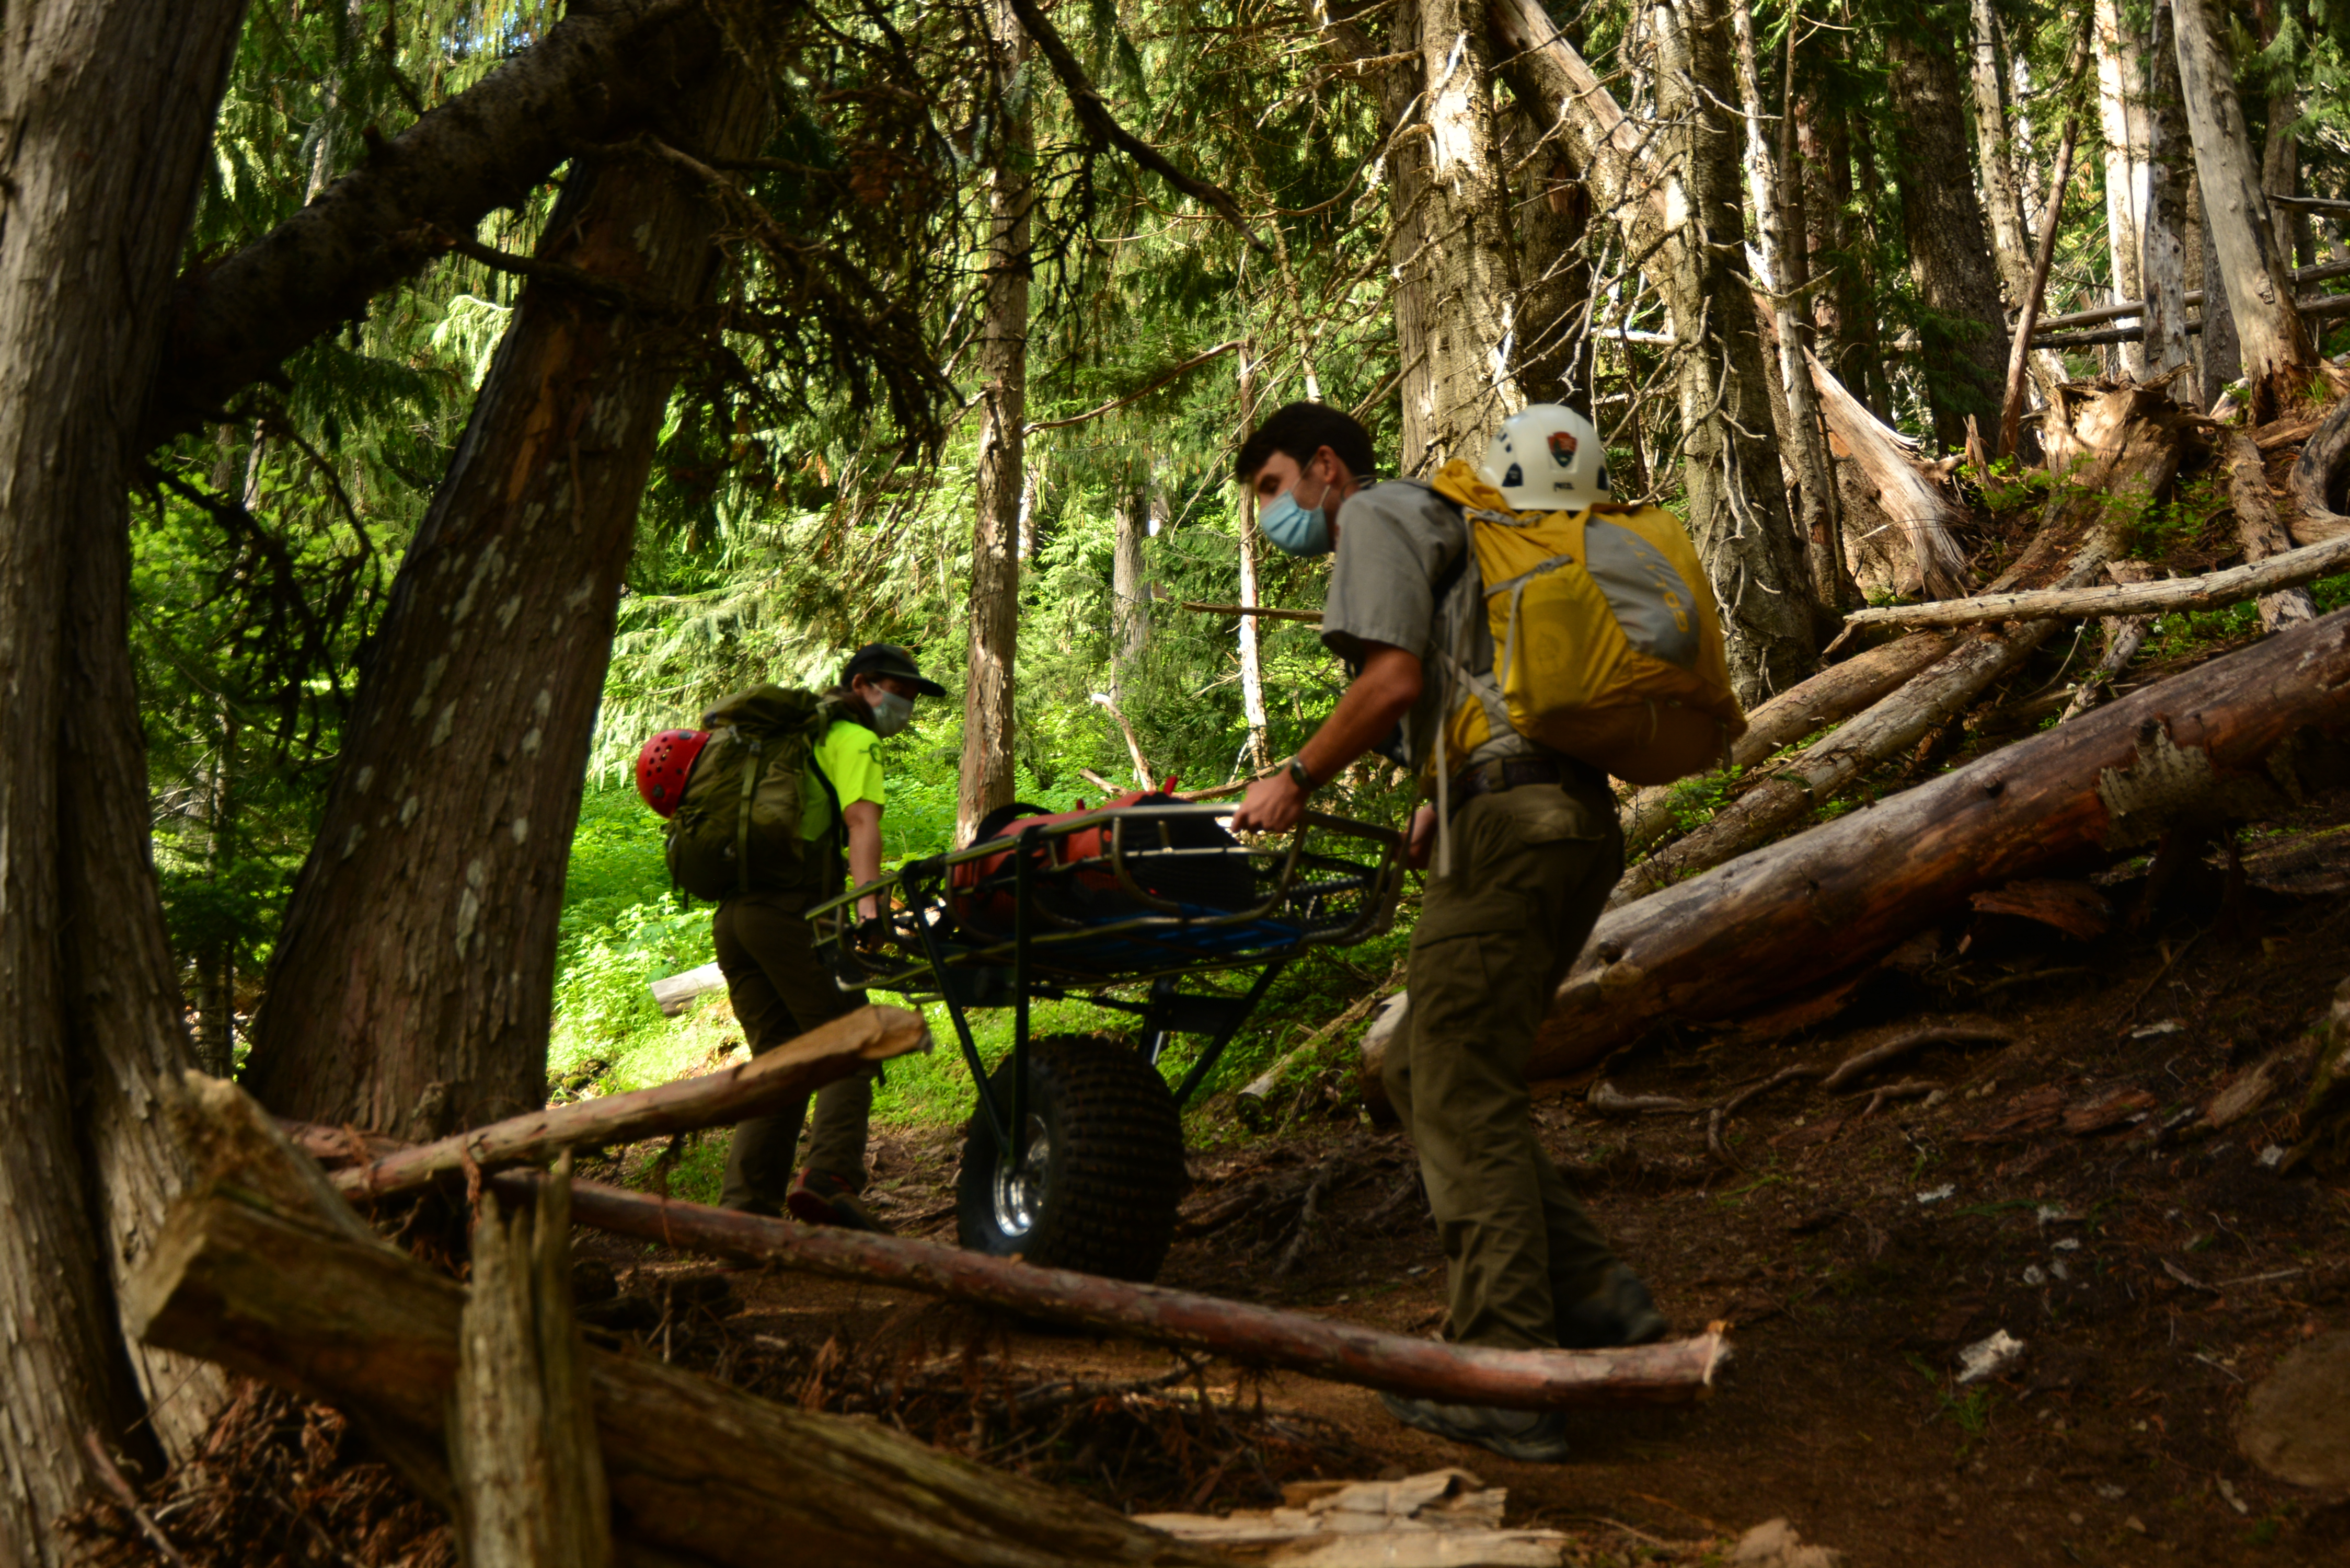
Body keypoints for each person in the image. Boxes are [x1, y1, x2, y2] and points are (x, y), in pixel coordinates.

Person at [1228, 401, 1665, 1463]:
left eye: (1271, 489)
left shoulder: (1375, 512)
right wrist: (1439, 792)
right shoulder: (1450, 523)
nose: (1269, 519)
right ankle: (1599, 1302)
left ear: (1325, 467)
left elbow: (1392, 681)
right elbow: (1469, 677)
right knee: (1435, 1072)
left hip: (1513, 825)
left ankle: (1503, 1375)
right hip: (1558, 816)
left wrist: (1293, 777)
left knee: (1454, 1078)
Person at [713, 642, 942, 1228]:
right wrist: (871, 910)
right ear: (863, 684)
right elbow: (861, 822)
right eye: (901, 692)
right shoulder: (850, 737)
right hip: (790, 916)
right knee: (850, 1045)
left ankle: (744, 1213)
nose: (906, 706)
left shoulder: (789, 740)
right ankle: (829, 1178)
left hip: (735, 920)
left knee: (780, 1061)